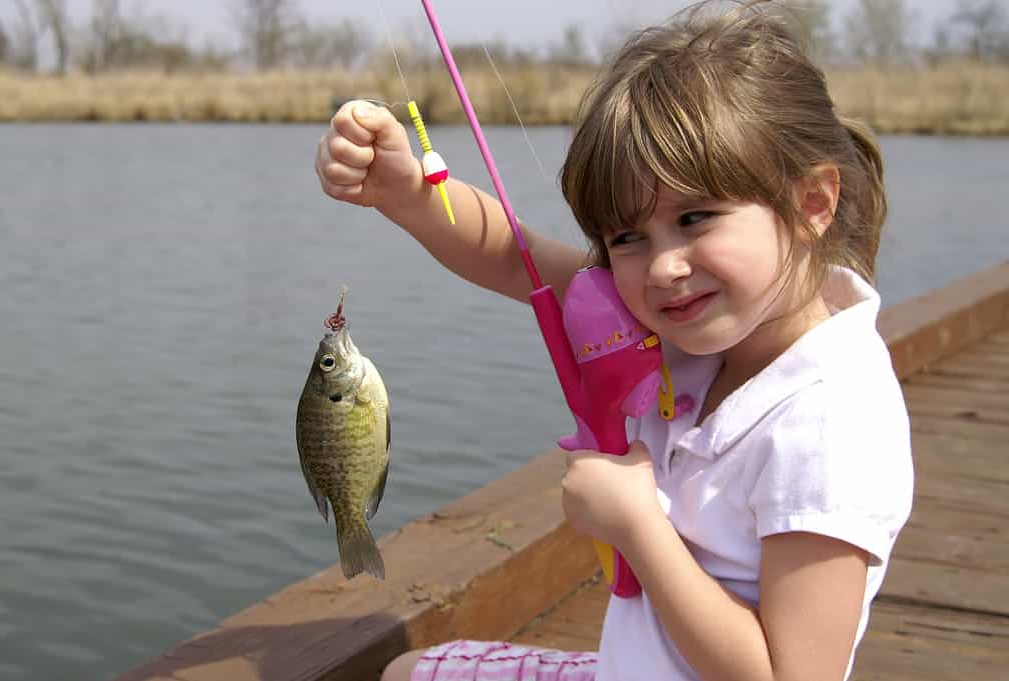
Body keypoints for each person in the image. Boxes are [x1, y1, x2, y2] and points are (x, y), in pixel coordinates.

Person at [315, 1, 914, 680]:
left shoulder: (832, 423)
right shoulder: (700, 323)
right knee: (410, 672)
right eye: (627, 236)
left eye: (695, 217)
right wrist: (409, 195)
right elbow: (521, 261)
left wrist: (638, 527)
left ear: (812, 203)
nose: (663, 266)